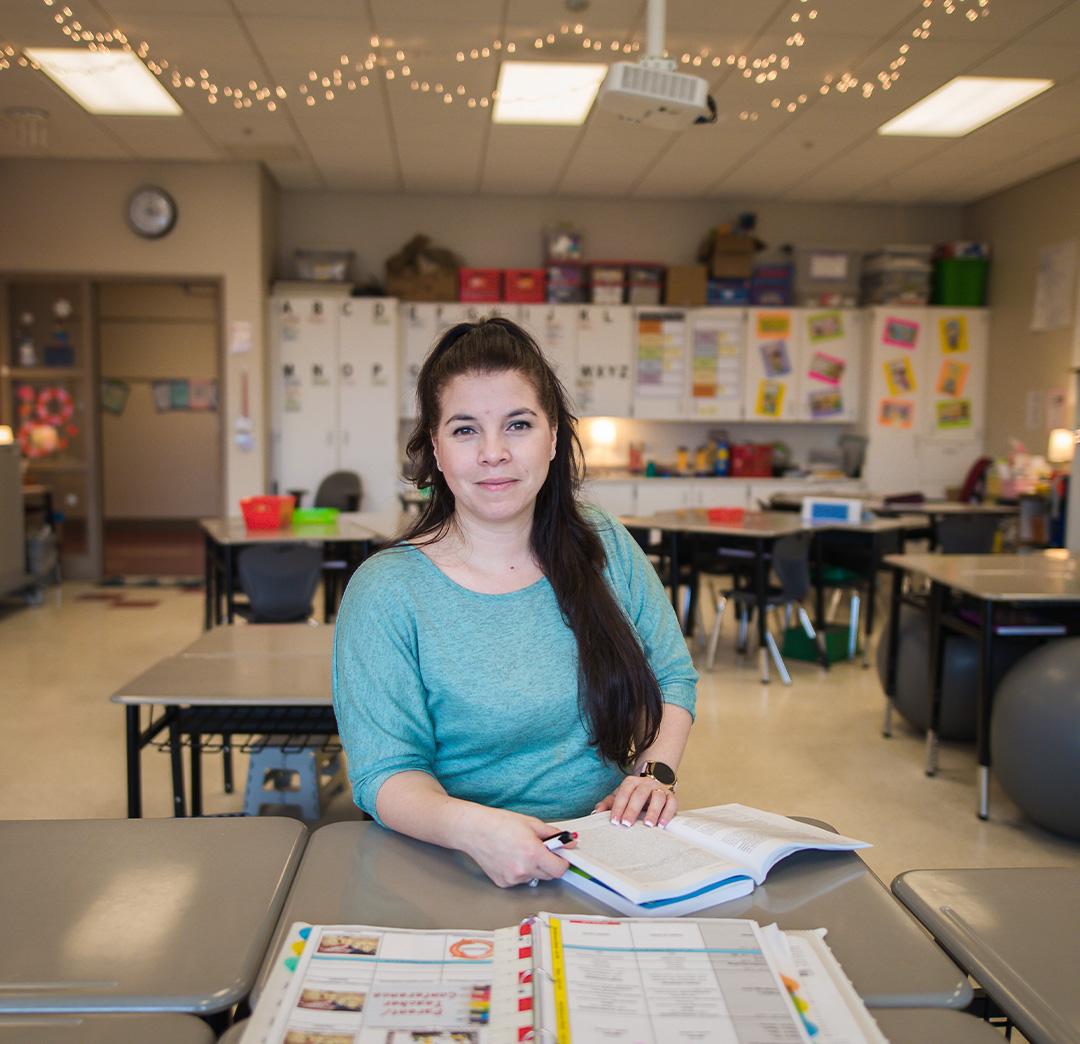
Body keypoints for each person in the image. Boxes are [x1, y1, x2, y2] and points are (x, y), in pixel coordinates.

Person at [332, 317, 697, 888]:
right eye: (465, 430)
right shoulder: (386, 591)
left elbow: (672, 674)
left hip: (603, 852)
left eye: (518, 425)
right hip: (449, 862)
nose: (494, 453)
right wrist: (474, 830)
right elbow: (387, 772)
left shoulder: (601, 542)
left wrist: (654, 773)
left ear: (552, 438)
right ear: (436, 449)